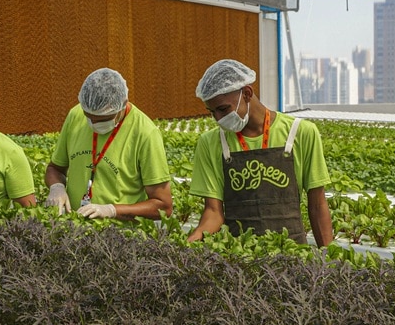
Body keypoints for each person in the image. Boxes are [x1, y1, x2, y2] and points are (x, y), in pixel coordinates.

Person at [187, 59, 334, 246]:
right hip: (238, 256)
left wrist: (328, 261)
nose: (218, 118)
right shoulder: (210, 142)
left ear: (247, 93)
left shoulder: (300, 132)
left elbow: (317, 205)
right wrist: (195, 237)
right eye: (212, 112)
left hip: (292, 252)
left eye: (223, 109)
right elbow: (213, 212)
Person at [43, 68, 172, 220]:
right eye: (89, 117)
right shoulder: (76, 115)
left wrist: (112, 210)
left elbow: (163, 206)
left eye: (103, 119)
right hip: (75, 229)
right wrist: (56, 187)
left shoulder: (145, 133)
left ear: (122, 105)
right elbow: (55, 168)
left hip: (120, 237)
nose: (94, 124)